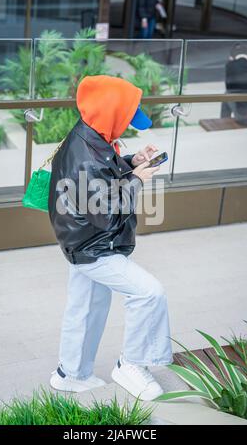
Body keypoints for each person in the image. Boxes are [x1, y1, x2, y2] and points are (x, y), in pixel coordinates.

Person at [48, 75, 172, 401]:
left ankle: (70, 374)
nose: (128, 126)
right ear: (111, 113)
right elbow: (101, 209)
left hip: (83, 239)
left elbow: (105, 174)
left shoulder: (92, 136)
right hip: (93, 245)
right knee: (149, 294)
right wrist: (137, 180)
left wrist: (132, 162)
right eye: (127, 119)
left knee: (86, 308)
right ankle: (131, 364)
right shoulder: (84, 154)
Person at [221, 43, 247, 127]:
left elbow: (230, 88)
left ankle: (223, 120)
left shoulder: (229, 66)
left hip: (243, 118)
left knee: (226, 93)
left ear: (231, 58)